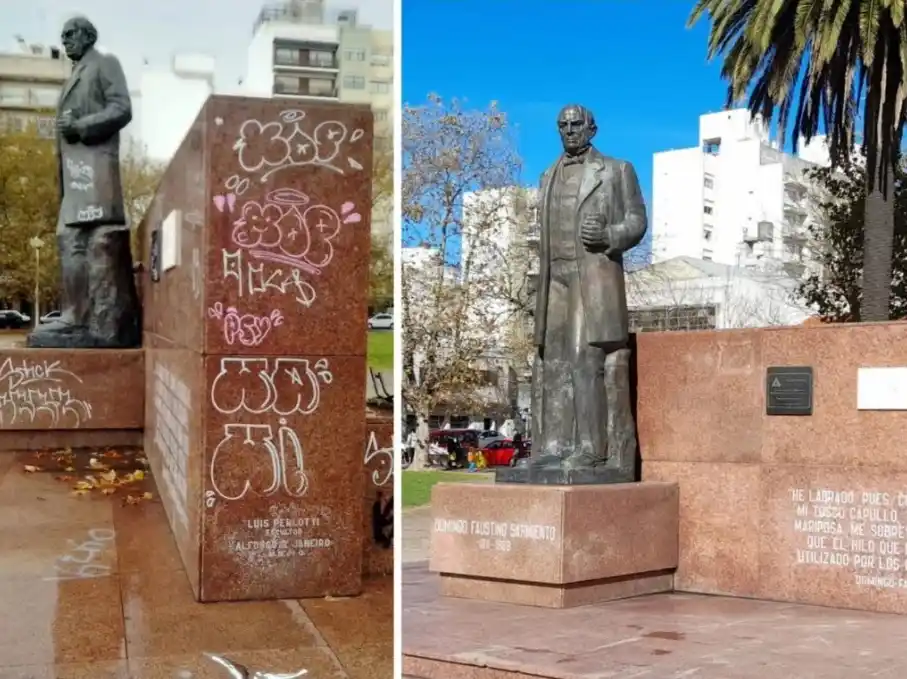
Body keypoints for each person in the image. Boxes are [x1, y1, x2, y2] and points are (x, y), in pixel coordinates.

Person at [530, 104, 647, 474]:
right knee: (554, 361)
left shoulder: (617, 170)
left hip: (592, 277)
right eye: (562, 125)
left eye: (576, 124)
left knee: (585, 358)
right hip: (555, 280)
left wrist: (609, 235)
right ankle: (553, 446)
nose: (569, 130)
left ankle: (592, 449)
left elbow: (637, 221)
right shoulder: (547, 175)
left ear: (592, 128)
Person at [27, 16, 140, 349]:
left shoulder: (104, 64)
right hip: (75, 180)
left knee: (76, 238)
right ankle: (75, 314)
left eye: (71, 35)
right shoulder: (73, 76)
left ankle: (80, 318)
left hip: (94, 175)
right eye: (62, 37)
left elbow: (122, 107)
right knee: (68, 238)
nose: (65, 41)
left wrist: (83, 125)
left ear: (89, 35)